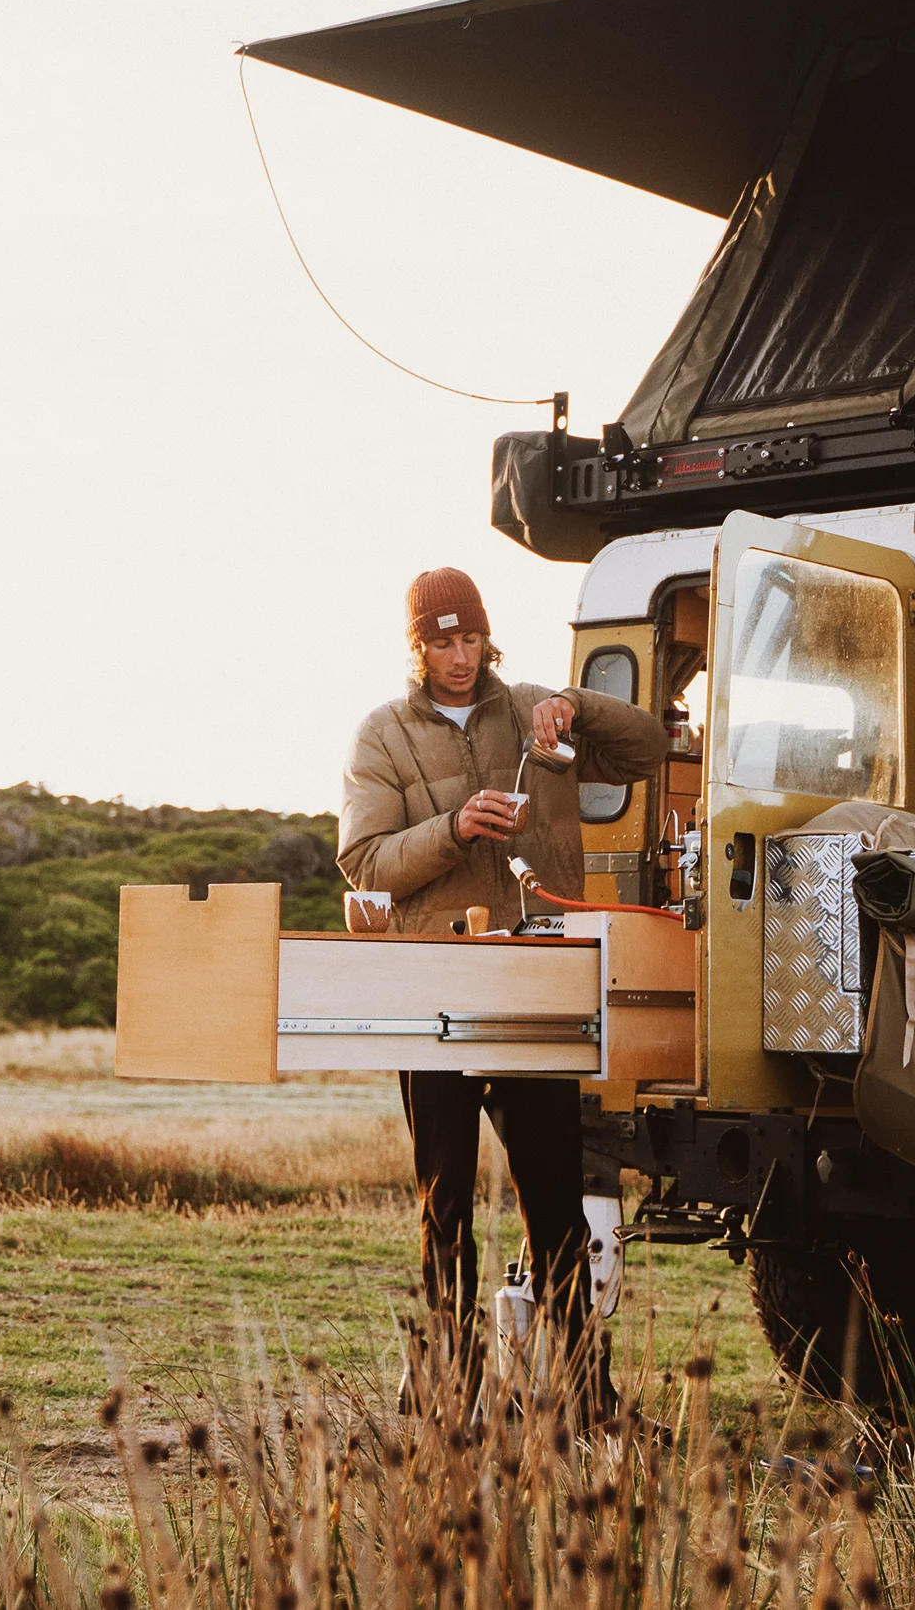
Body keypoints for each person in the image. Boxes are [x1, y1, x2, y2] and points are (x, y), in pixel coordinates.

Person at [339, 566, 669, 1410]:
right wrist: (453, 829)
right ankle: (447, 1394)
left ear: (488, 637)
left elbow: (648, 749)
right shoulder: (381, 735)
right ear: (417, 647)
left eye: (471, 637)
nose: (459, 656)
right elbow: (365, 862)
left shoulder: (533, 710)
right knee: (443, 1200)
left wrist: (577, 705)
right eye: (441, 641)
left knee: (556, 1200)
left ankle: (586, 1395)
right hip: (436, 989)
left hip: (533, 982)